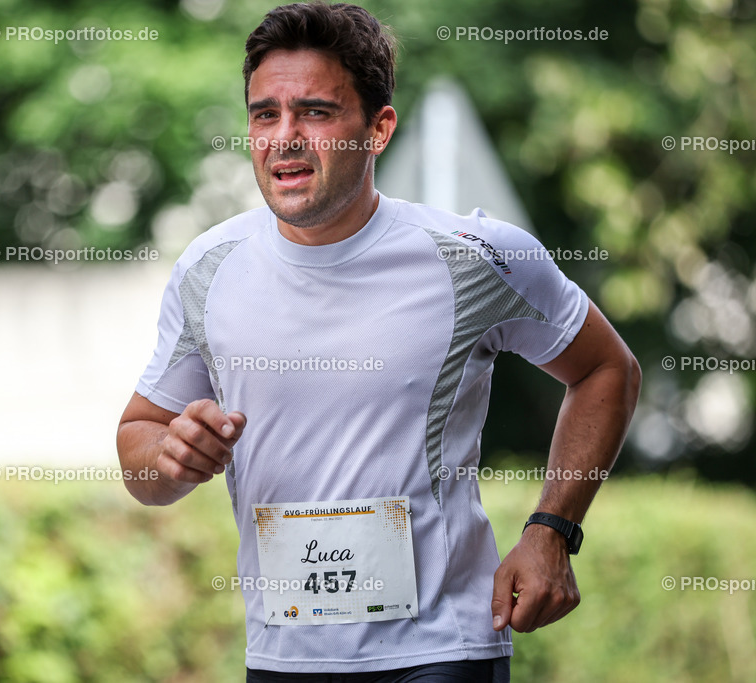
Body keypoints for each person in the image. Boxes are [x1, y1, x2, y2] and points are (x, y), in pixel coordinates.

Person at [116, 3, 641, 681]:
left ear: (379, 128)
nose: (285, 137)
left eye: (315, 112)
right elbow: (139, 442)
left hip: (441, 648)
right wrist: (170, 457)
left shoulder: (474, 256)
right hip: (283, 655)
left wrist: (553, 529)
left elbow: (606, 369)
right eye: (265, 115)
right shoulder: (208, 269)